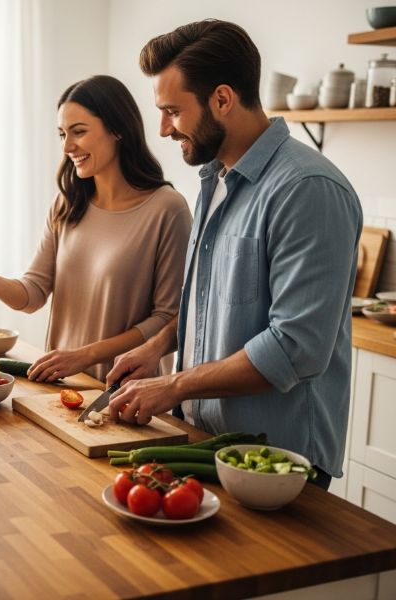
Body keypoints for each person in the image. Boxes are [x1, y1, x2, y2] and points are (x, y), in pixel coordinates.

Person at [106, 20, 362, 490]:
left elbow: (295, 347)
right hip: (207, 445)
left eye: (172, 111)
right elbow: (208, 300)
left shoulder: (308, 191)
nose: (163, 128)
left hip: (278, 465)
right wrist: (159, 346)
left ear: (222, 100)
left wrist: (175, 384)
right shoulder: (214, 180)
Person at [0, 75, 191, 382]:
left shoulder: (167, 209)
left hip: (127, 395)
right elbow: (33, 293)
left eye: (79, 132)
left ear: (117, 130)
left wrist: (86, 354)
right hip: (60, 387)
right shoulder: (68, 203)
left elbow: (167, 319)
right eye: (62, 134)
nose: (67, 146)